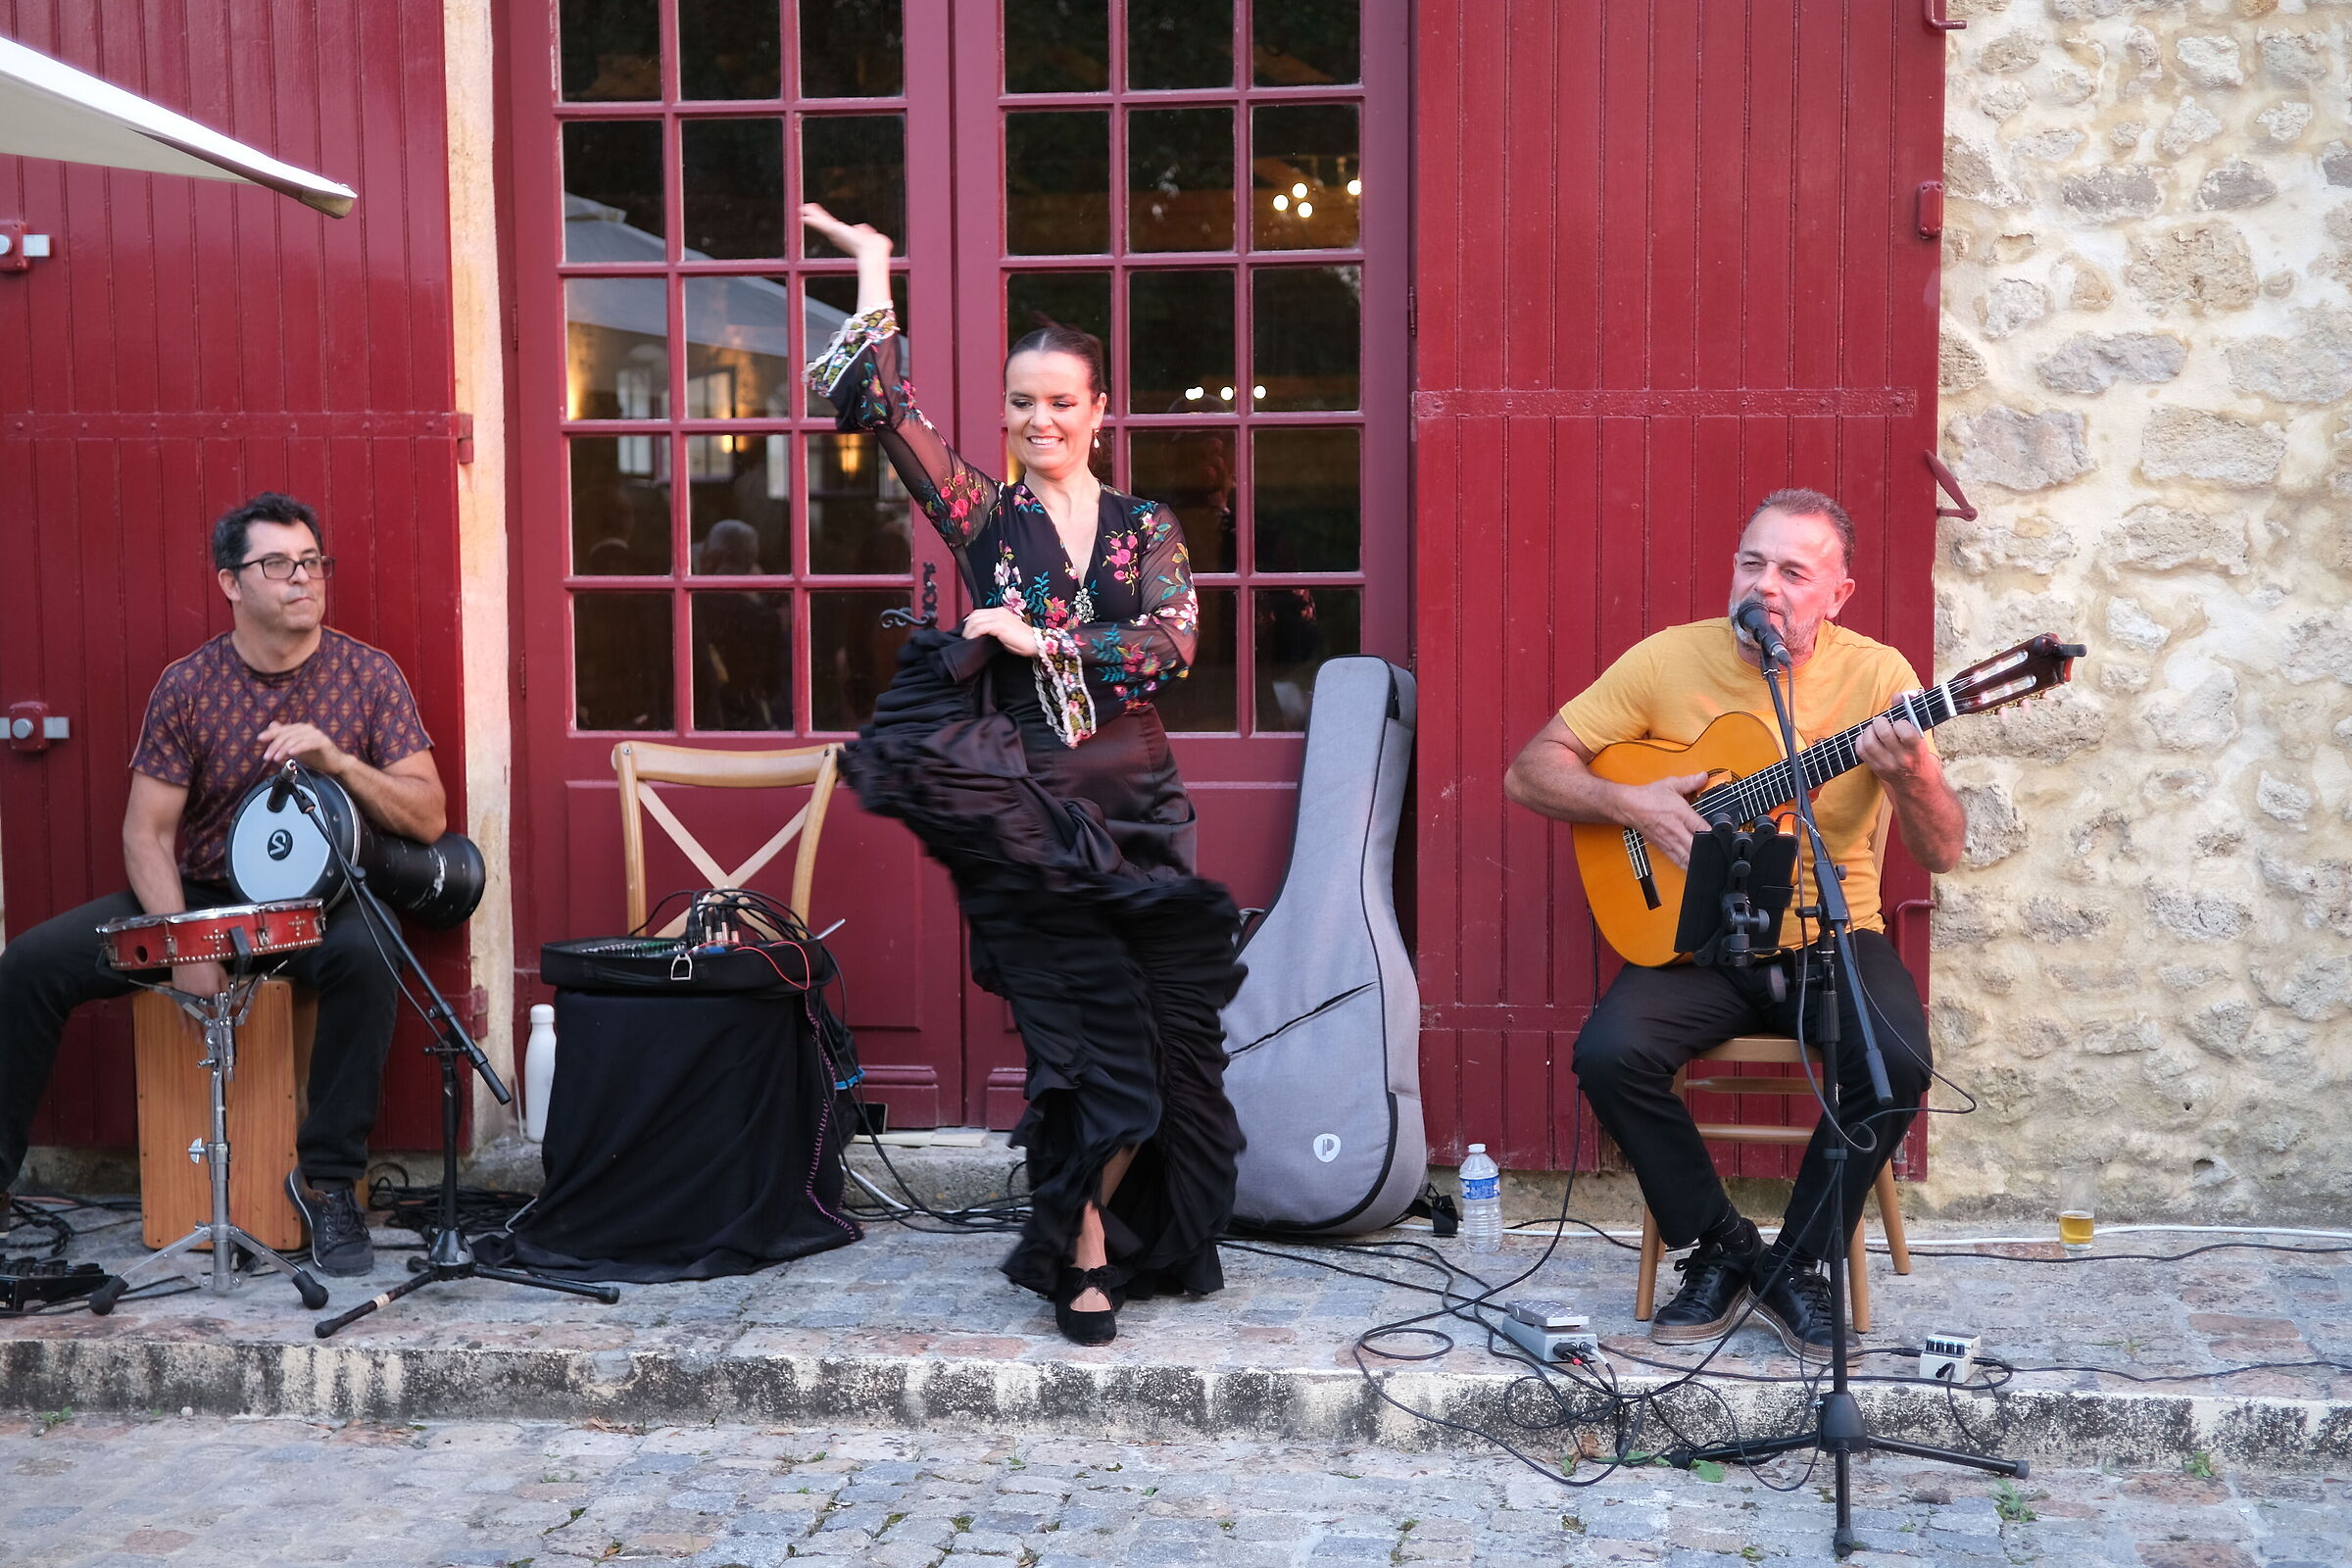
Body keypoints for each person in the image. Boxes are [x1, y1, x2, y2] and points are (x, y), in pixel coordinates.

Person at [800, 202, 1245, 1346]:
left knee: (1161, 1040)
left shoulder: (1147, 525)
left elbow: (1171, 643)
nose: (1038, 419)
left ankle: (1126, 1227)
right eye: (1020, 402)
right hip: (1032, 810)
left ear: (1098, 412)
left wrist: (1034, 636)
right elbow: (878, 405)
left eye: (1060, 401)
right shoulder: (984, 516)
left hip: (1139, 800)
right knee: (1077, 1046)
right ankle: (1082, 1249)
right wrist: (874, 267)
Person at [1503, 489, 1965, 1356]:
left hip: (1832, 935)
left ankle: (1797, 1263)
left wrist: (1914, 776)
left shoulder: (1879, 679)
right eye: (1753, 563)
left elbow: (1941, 852)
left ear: (1838, 594)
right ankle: (1720, 1248)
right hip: (1700, 940)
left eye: (1794, 571)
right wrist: (1632, 804)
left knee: (1897, 1061)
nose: (1766, 586)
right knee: (1609, 1054)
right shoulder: (1668, 660)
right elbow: (1529, 771)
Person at [0, 493, 447, 1276]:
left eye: (311, 562)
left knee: (373, 946)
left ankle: (329, 1184)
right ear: (231, 583)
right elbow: (146, 834)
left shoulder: (368, 675)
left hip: (317, 906)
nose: (302, 578)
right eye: (278, 564)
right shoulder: (189, 686)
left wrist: (341, 762)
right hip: (206, 899)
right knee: (29, 967)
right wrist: (182, 942)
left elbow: (430, 816)